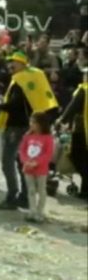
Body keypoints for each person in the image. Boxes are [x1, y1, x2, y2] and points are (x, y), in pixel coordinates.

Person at [0, 51, 59, 210]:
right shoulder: (33, 77)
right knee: (22, 161)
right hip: (28, 126)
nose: (10, 65)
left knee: (8, 162)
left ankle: (12, 196)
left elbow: (14, 105)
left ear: (22, 64)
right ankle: (24, 197)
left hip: (15, 127)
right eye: (9, 62)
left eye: (13, 62)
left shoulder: (21, 80)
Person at [18, 112, 54, 223]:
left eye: (34, 122)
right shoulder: (27, 136)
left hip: (41, 169)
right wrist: (25, 161)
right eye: (31, 121)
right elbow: (22, 150)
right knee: (31, 190)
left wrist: (37, 162)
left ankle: (40, 211)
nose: (31, 124)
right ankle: (32, 211)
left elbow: (48, 154)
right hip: (28, 168)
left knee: (41, 190)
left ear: (41, 124)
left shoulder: (48, 138)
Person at [57, 71, 88, 199]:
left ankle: (86, 185)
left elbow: (73, 107)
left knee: (75, 155)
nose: (84, 76)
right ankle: (85, 189)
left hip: (82, 128)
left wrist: (61, 120)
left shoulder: (83, 89)